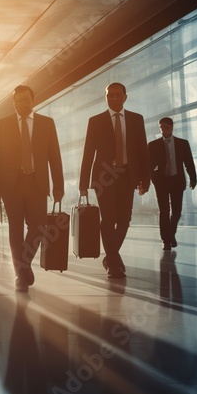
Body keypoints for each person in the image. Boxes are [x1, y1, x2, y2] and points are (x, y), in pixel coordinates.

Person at [0, 85, 64, 292]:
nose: (22, 104)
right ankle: (20, 275)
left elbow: (55, 157)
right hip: (12, 185)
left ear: (33, 100)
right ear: (14, 103)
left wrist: (58, 186)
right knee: (16, 229)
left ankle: (23, 264)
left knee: (38, 226)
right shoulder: (2, 124)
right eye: (17, 100)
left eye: (25, 99)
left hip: (37, 184)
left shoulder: (47, 124)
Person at [78, 83, 149, 279]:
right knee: (108, 220)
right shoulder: (96, 121)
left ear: (125, 97)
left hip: (127, 176)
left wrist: (145, 179)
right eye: (110, 96)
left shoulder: (136, 119)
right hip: (104, 179)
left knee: (125, 220)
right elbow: (88, 155)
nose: (114, 99)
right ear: (106, 97)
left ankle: (111, 256)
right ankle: (114, 265)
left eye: (118, 95)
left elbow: (143, 151)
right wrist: (83, 185)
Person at [147, 117, 197, 250]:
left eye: (167, 127)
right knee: (164, 211)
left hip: (177, 180)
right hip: (161, 182)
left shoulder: (182, 143)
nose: (164, 130)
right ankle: (166, 240)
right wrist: (153, 179)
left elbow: (189, 162)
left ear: (172, 127)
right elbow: (149, 165)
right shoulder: (153, 145)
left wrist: (193, 178)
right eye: (162, 127)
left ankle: (170, 234)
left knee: (177, 211)